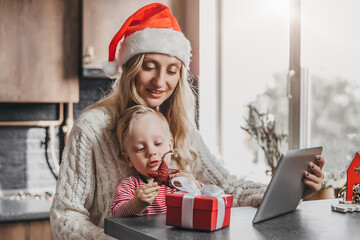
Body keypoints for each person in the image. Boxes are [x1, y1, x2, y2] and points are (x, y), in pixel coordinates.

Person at [50, 3, 325, 240]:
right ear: (131, 68)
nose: (160, 81)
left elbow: (229, 187)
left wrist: (290, 189)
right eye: (149, 67)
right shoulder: (92, 127)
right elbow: (66, 216)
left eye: (171, 70)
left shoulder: (181, 127)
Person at [110, 105, 201, 217]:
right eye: (140, 149)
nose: (151, 152)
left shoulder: (180, 178)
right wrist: (136, 204)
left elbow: (206, 200)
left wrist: (194, 185)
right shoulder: (130, 185)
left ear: (170, 145)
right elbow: (115, 215)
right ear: (128, 159)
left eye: (158, 143)